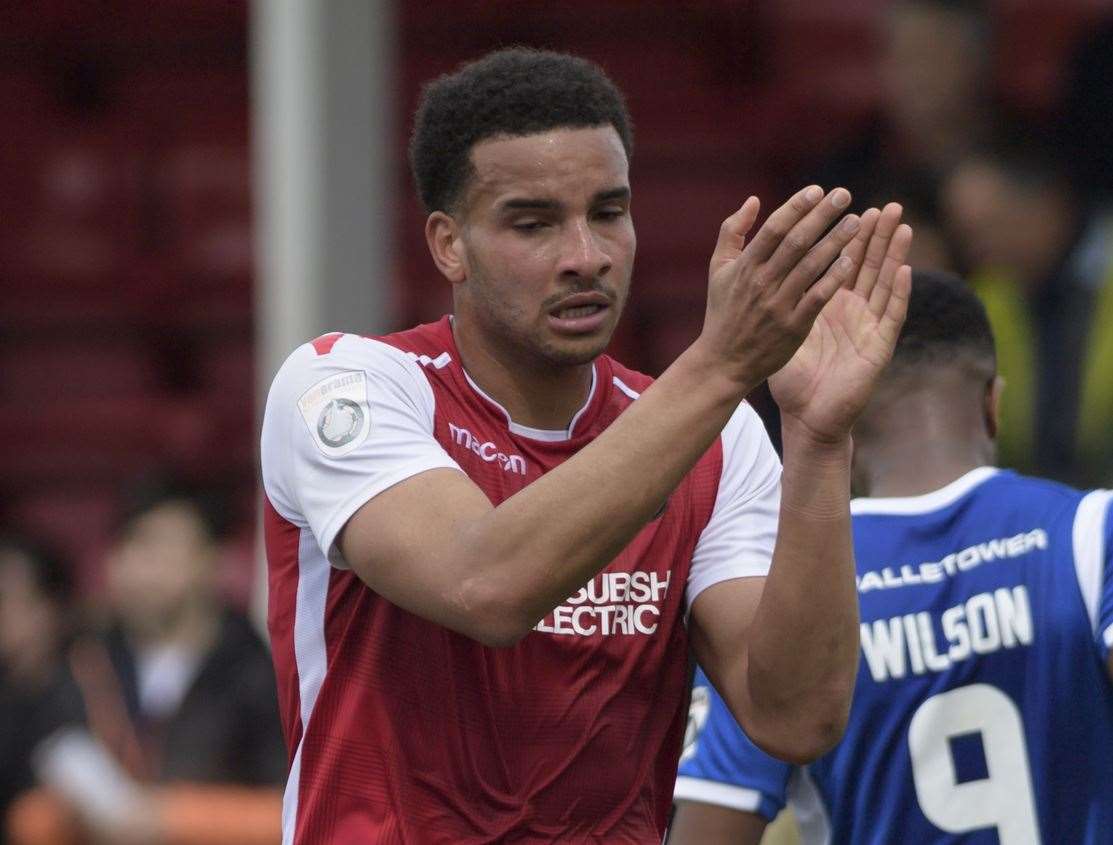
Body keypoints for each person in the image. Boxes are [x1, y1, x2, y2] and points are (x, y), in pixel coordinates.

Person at [261, 47, 912, 842]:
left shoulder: (717, 436)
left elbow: (797, 715)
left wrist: (816, 439)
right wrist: (720, 365)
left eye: (608, 212)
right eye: (532, 223)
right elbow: (486, 584)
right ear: (447, 245)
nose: (586, 256)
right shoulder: (345, 385)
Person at [670, 270, 1113, 844]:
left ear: (839, 415)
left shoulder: (774, 600)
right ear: (993, 405)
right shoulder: (1094, 533)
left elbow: (709, 835)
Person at [5, 479, 286, 845]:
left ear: (213, 561)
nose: (141, 565)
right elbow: (28, 791)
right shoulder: (82, 661)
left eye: (163, 547)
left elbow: (288, 809)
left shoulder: (258, 671)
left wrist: (172, 817)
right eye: (131, 545)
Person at [941, 138, 1113, 486]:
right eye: (967, 237)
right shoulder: (988, 300)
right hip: (1042, 504)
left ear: (1047, 206)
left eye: (990, 228)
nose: (979, 252)